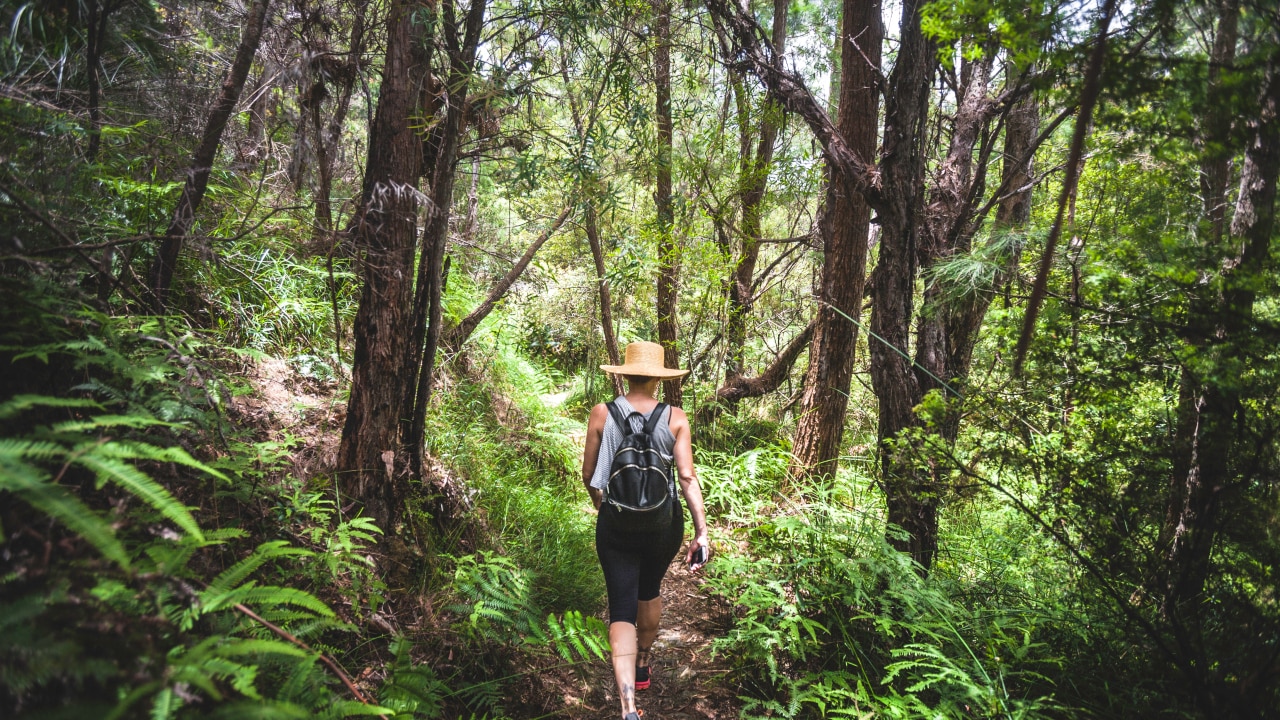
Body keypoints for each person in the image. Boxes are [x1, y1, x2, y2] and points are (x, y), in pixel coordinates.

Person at [581, 340, 710, 720]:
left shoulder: (602, 413)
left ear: (625, 374)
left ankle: (627, 707)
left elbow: (589, 475)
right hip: (662, 525)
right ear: (657, 379)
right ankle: (643, 664)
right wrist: (701, 532)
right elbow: (686, 477)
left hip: (616, 524)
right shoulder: (676, 417)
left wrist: (600, 504)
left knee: (621, 607)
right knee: (649, 589)